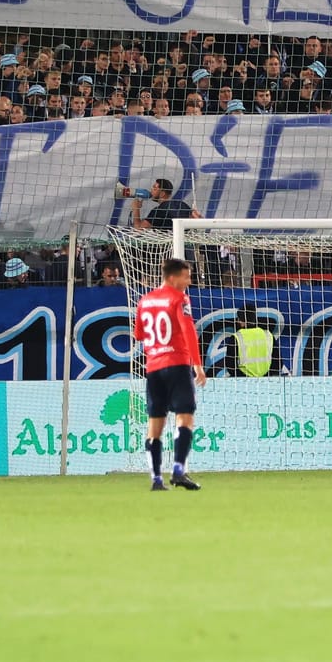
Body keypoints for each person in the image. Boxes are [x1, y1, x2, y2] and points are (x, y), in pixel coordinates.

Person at [136, 257, 205, 490]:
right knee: (185, 416)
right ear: (173, 278)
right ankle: (178, 469)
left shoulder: (144, 300)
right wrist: (197, 365)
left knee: (155, 425)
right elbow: (188, 331)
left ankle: (156, 478)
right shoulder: (179, 298)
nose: (189, 280)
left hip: (153, 367)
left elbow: (139, 334)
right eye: (186, 276)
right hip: (176, 363)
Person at [127, 177, 200, 231]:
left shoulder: (158, 211)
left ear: (162, 194)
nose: (151, 190)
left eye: (154, 188)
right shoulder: (182, 204)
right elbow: (199, 220)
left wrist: (136, 209)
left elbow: (138, 229)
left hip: (168, 249)